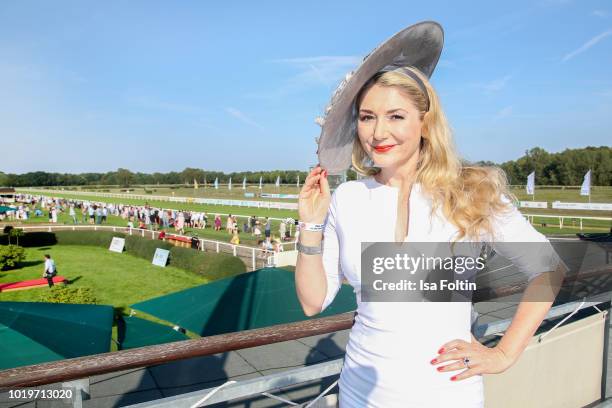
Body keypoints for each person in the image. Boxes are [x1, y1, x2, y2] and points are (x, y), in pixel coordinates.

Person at [295, 22, 565, 408]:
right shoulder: (349, 197)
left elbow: (548, 268)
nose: (378, 132)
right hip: (359, 393)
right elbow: (312, 302)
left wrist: (504, 354)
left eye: (396, 116)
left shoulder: (471, 190)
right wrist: (310, 223)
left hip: (446, 395)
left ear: (425, 122)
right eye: (367, 117)